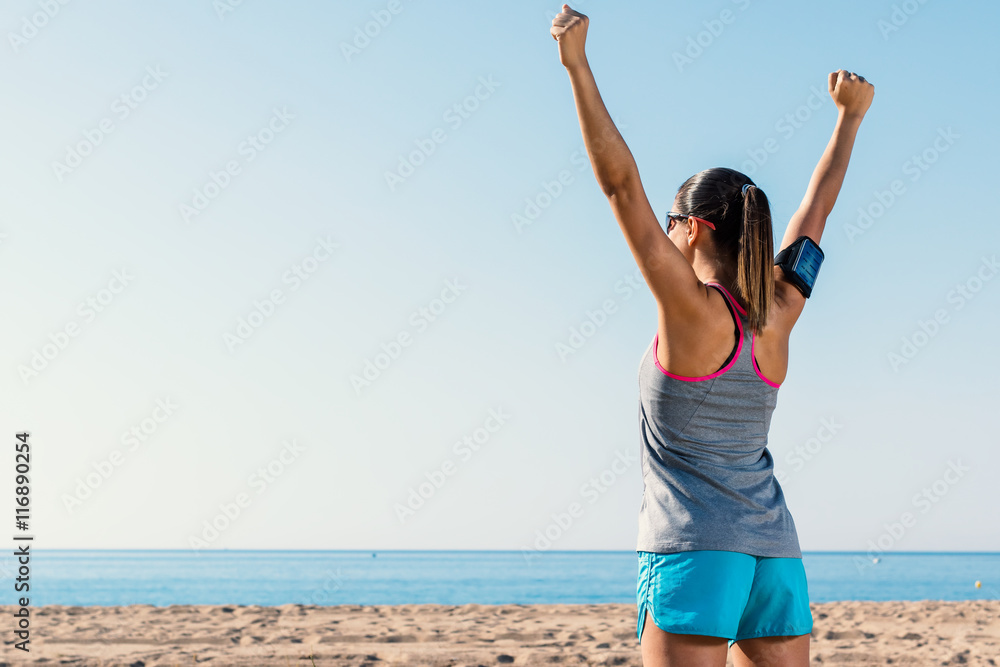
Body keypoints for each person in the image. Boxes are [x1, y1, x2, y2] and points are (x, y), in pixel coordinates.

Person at [549, 5, 874, 667]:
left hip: (694, 554)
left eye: (671, 222)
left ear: (693, 227)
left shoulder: (693, 311)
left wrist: (577, 66)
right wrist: (850, 118)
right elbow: (817, 211)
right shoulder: (779, 311)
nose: (664, 232)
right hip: (774, 556)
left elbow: (619, 186)